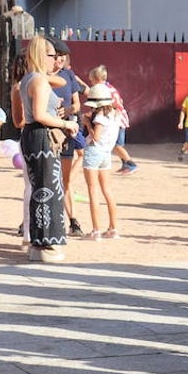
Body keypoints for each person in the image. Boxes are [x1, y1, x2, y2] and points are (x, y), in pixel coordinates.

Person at [19, 36, 76, 262]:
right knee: (50, 190)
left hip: (32, 136)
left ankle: (38, 241)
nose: (56, 60)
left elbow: (61, 81)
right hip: (42, 136)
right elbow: (41, 114)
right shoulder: (40, 81)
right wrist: (66, 123)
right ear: (41, 55)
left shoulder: (30, 78)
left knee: (40, 189)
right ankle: (49, 243)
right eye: (52, 55)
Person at [51, 40, 86, 236]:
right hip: (47, 131)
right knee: (41, 179)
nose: (60, 60)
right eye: (57, 57)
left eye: (63, 57)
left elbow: (77, 104)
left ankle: (72, 220)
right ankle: (28, 221)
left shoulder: (68, 75)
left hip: (65, 132)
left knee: (65, 180)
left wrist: (68, 110)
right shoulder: (42, 77)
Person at [80, 80, 120, 239]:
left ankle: (96, 229)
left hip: (94, 152)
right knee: (107, 190)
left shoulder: (99, 117)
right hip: (106, 153)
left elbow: (95, 136)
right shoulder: (114, 114)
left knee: (93, 190)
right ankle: (113, 227)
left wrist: (87, 123)